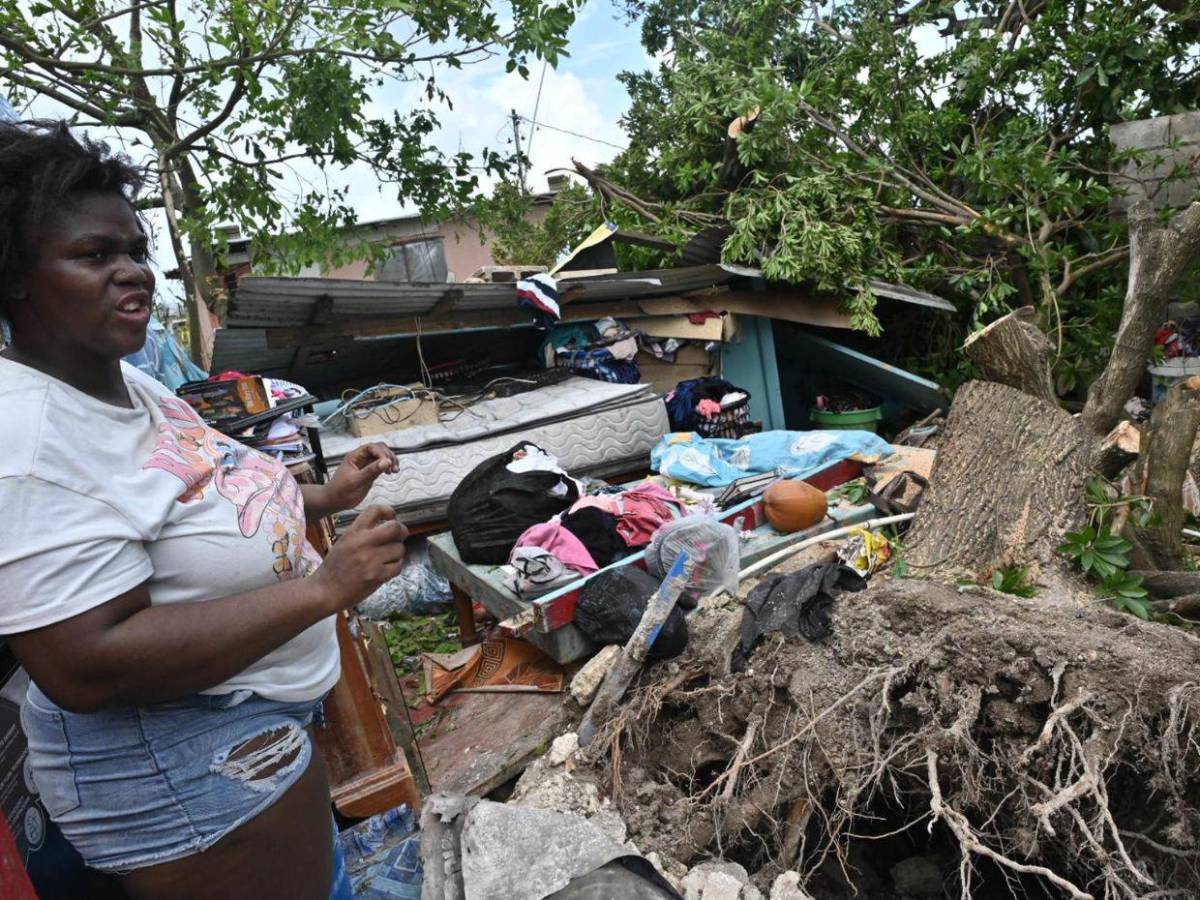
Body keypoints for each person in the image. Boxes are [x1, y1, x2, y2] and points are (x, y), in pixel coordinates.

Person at [0, 120, 410, 899]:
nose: (132, 274)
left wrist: (326, 494)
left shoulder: (120, 380)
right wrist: (325, 590)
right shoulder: (24, 437)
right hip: (179, 763)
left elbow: (203, 490)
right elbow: (84, 661)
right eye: (94, 256)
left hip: (239, 728)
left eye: (134, 253)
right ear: (17, 274)